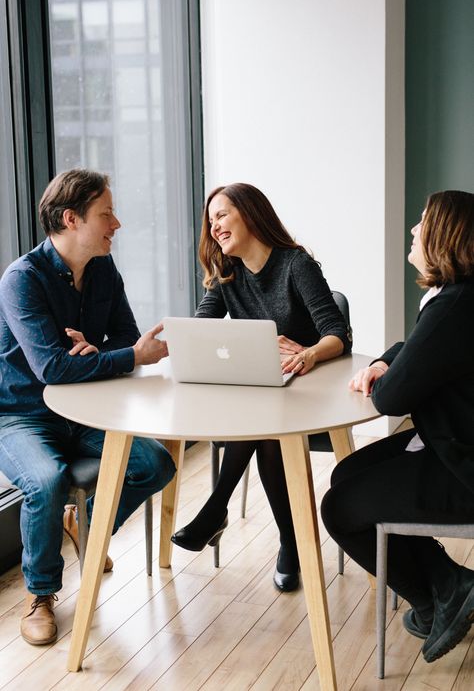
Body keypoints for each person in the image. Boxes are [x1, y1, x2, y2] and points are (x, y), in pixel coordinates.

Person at [0, 169, 176, 646]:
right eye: (106, 214)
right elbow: (52, 370)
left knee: (155, 463)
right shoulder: (22, 280)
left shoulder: (101, 269)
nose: (116, 223)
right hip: (21, 415)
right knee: (46, 480)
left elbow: (123, 334)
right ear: (71, 219)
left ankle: (88, 525)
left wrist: (103, 355)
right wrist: (126, 357)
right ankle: (40, 595)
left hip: (83, 411)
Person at [171, 182, 352, 591]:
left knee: (267, 429)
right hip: (266, 396)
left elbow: (336, 333)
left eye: (222, 215)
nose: (214, 226)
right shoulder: (227, 271)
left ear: (250, 215)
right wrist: (165, 341)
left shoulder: (295, 264)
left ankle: (221, 511)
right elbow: (200, 327)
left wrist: (307, 354)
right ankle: (287, 543)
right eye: (211, 219)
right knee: (265, 426)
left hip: (312, 393)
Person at [321, 190, 474, 663]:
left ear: (445, 237)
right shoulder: (456, 299)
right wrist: (390, 361)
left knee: (339, 507)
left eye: (423, 222)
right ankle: (442, 593)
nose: (413, 230)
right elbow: (415, 350)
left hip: (462, 462)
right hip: (453, 439)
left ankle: (444, 591)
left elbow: (391, 399)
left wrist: (386, 373)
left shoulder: (452, 307)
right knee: (346, 475)